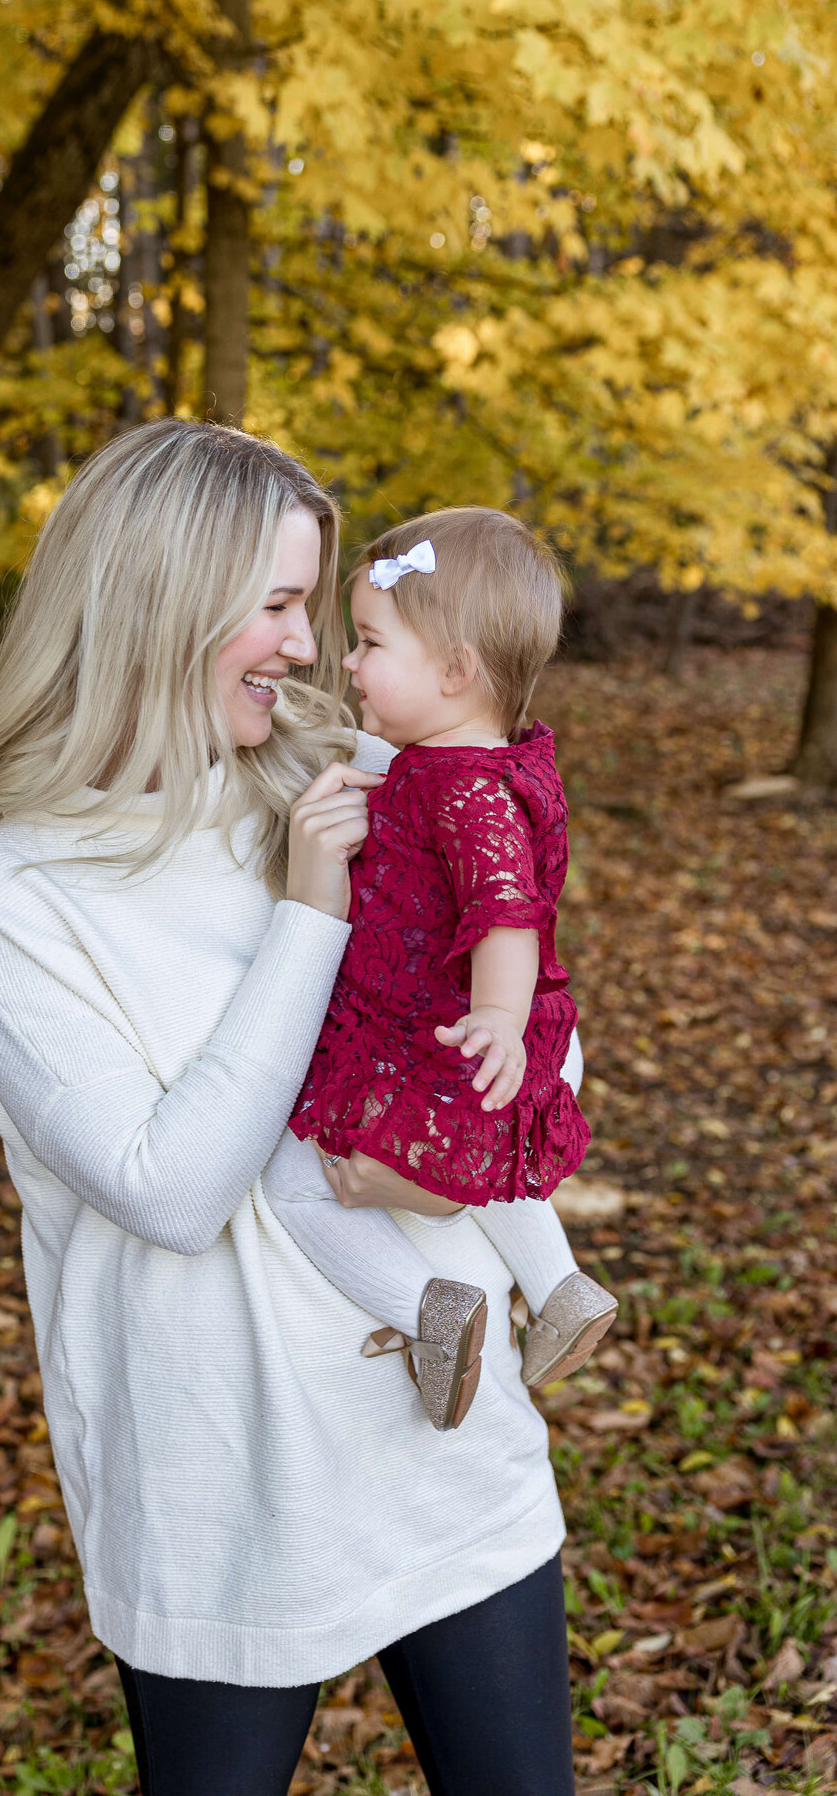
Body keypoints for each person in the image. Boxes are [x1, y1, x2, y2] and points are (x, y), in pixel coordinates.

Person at [0, 421, 577, 1795]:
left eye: (315, 608)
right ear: (161, 600)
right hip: (222, 1488)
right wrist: (306, 918)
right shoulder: (14, 888)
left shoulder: (347, 776)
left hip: (440, 1445)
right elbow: (174, 1187)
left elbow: (539, 1018)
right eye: (276, 605)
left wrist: (475, 1141)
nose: (311, 649)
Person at [262, 509, 617, 1431]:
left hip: (435, 1030)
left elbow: (509, 909)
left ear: (456, 672)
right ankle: (557, 1284)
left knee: (299, 1185)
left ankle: (433, 1308)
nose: (345, 661)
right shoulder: (468, 766)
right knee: (497, 1158)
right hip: (463, 1029)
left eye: (371, 642)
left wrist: (498, 1016)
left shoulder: (465, 790)